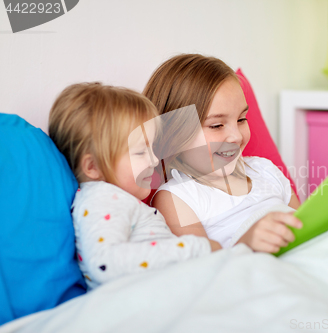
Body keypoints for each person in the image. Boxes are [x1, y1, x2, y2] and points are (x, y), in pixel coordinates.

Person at [48, 82, 221, 290]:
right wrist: (197, 248)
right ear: (93, 166)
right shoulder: (103, 198)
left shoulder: (115, 200)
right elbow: (104, 264)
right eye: (140, 152)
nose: (155, 160)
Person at [144, 54, 303, 253]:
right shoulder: (178, 198)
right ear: (173, 133)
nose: (236, 136)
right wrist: (245, 245)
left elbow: (307, 229)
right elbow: (205, 272)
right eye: (217, 125)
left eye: (242, 119)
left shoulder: (266, 171)